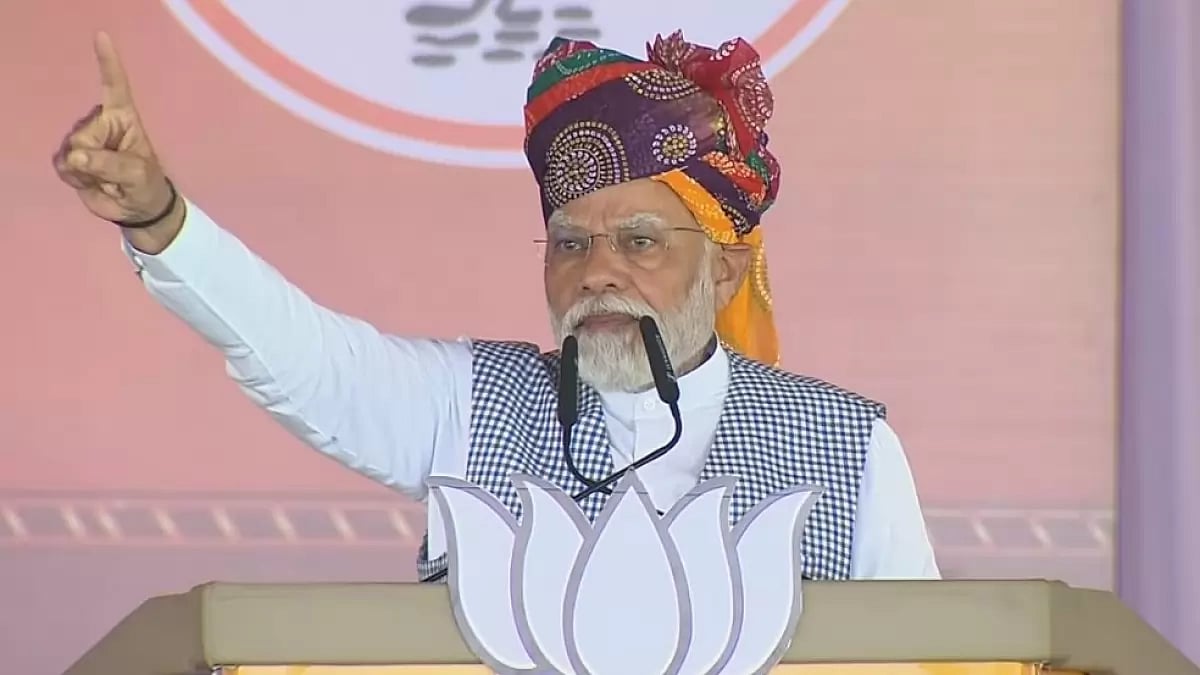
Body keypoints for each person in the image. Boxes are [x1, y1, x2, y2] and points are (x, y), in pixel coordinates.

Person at [53, 30, 939, 581]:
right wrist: (159, 217)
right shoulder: (470, 404)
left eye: (638, 241)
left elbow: (932, 654)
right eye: (569, 243)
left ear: (725, 270)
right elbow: (307, 362)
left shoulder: (852, 448)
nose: (597, 272)